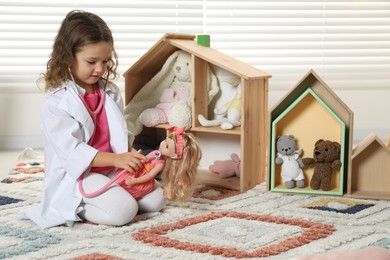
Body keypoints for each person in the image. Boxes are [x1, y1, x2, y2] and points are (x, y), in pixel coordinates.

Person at [18, 10, 165, 229]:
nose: (100, 69)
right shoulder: (57, 102)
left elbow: (117, 132)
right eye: (91, 61)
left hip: (111, 165)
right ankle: (75, 207)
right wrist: (116, 160)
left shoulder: (110, 91)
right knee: (124, 212)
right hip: (80, 174)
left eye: (105, 61)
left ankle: (110, 197)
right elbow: (73, 153)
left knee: (156, 200)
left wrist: (129, 152)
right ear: (68, 56)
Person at [79, 126, 202, 202]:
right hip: (137, 170)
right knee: (120, 177)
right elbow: (146, 158)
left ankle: (127, 196)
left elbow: (149, 176)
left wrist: (136, 181)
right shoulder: (156, 152)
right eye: (165, 140)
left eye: (167, 145)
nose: (162, 144)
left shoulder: (160, 163)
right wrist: (138, 156)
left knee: (125, 185)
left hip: (140, 179)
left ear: (174, 155)